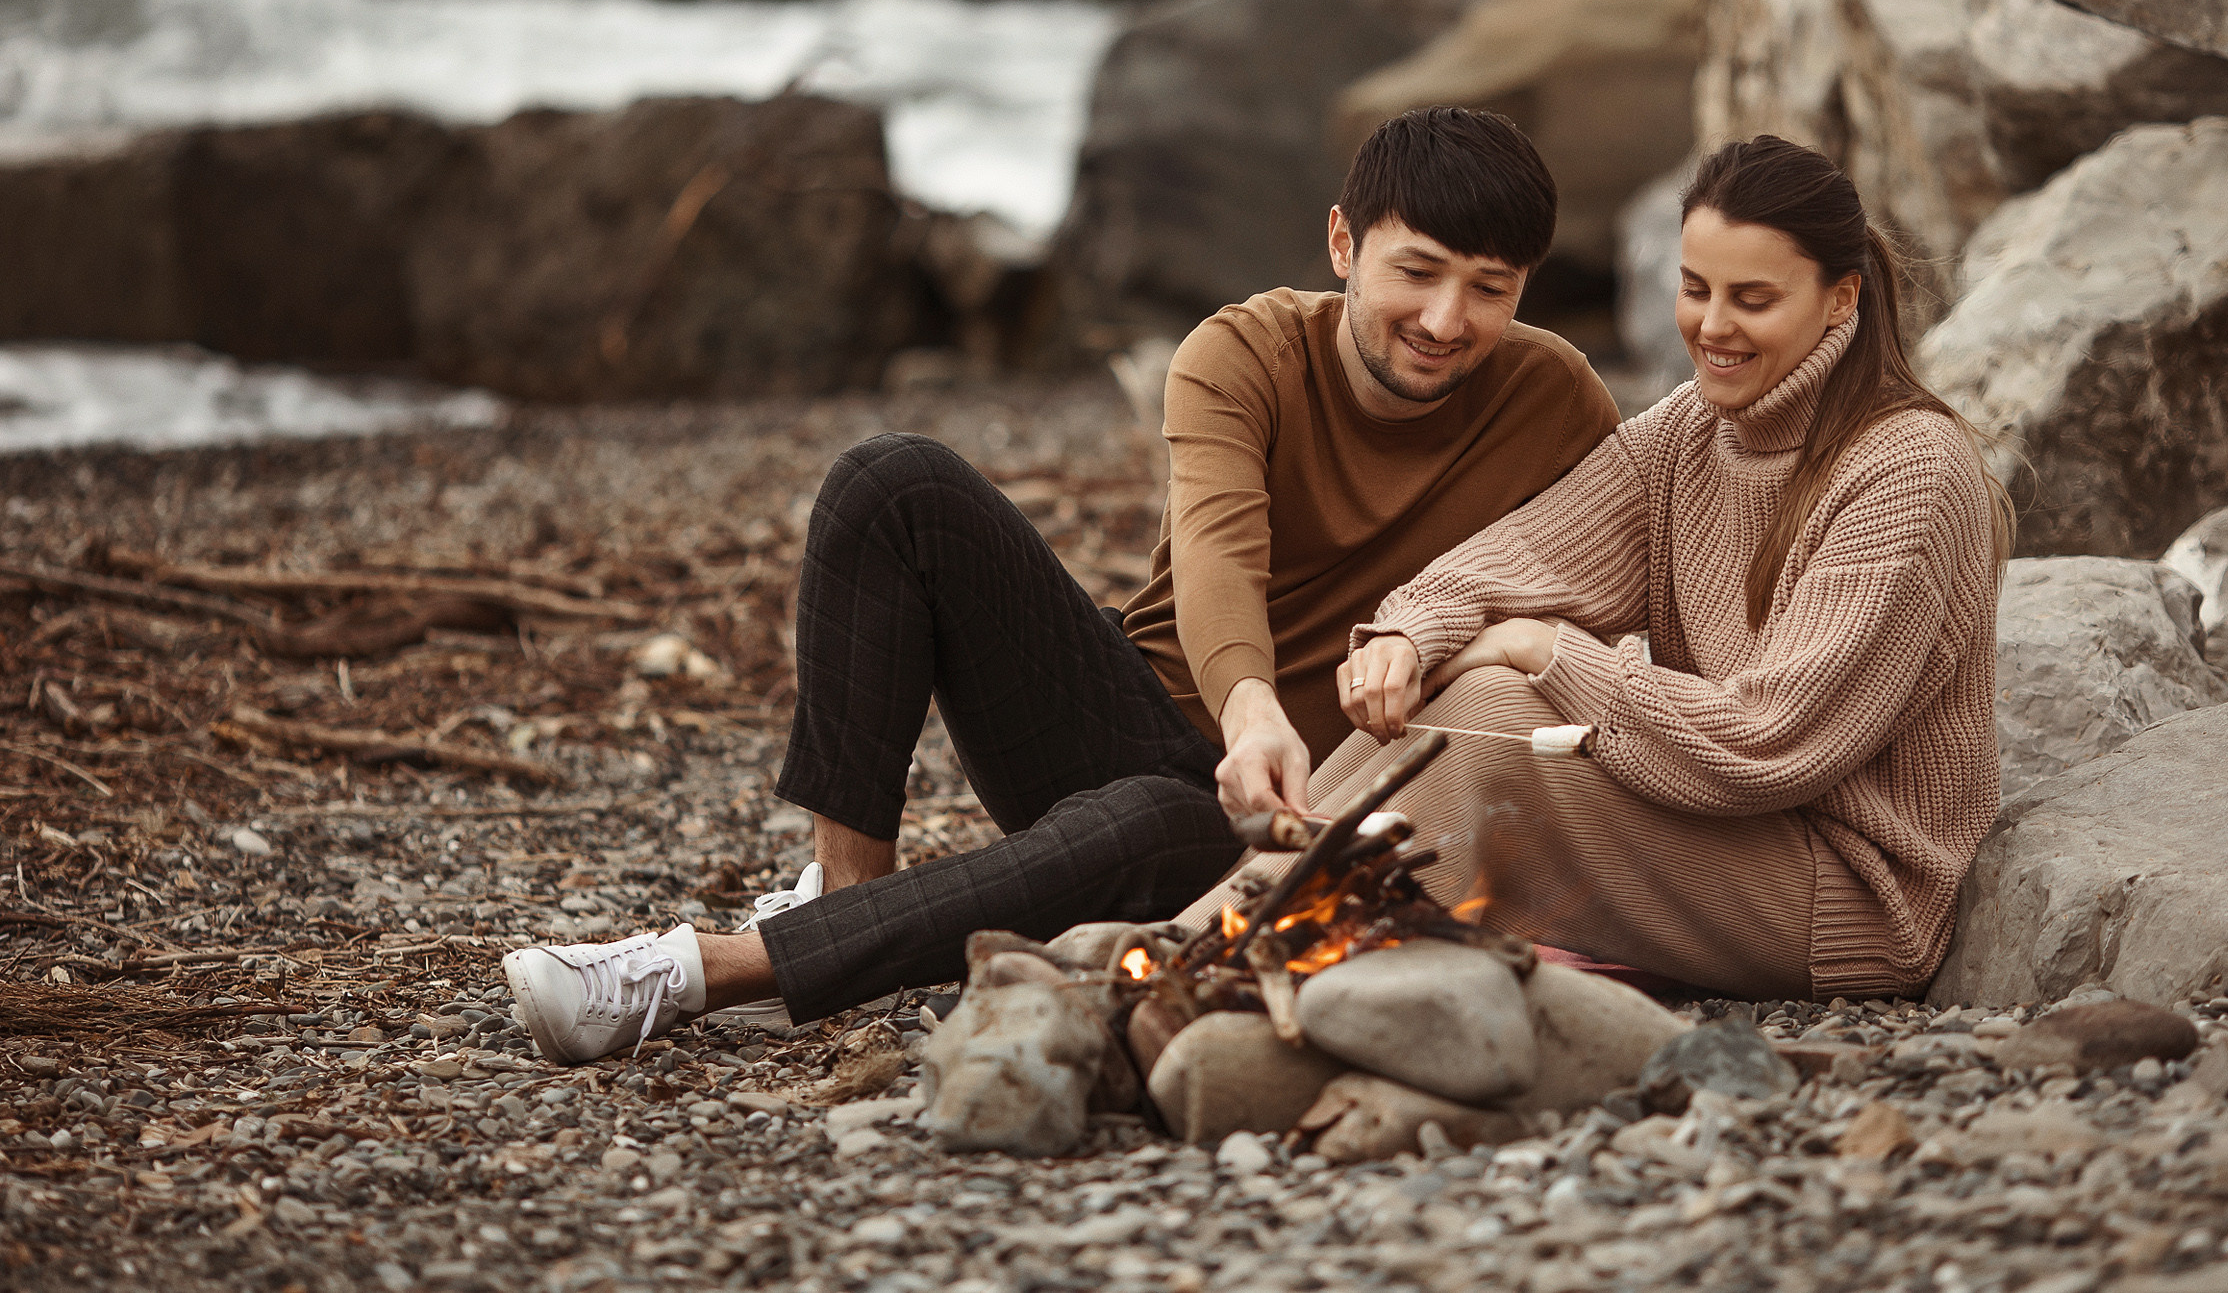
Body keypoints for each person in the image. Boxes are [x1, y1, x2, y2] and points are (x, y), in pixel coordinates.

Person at [504, 107, 1622, 1062]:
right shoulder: (1241, 355)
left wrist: (1477, 653)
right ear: (1344, 242)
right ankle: (850, 903)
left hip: (1307, 819)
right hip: (1141, 716)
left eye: (1490, 288)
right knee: (893, 484)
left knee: (1148, 827)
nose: (1445, 321)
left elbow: (1616, 574)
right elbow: (1218, 547)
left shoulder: (1555, 399)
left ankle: (704, 971)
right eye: (1416, 272)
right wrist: (1248, 706)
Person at [1183, 134, 2013, 1000]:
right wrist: (1410, 634)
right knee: (1461, 695)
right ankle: (1208, 942)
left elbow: (1769, 744)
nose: (1713, 327)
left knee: (1496, 740)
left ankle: (1203, 956)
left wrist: (1544, 649)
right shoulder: (1694, 429)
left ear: (1840, 299)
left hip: (1844, 890)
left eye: (1754, 299)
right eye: (1696, 290)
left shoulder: (1907, 468)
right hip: (1718, 826)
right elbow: (1523, 556)